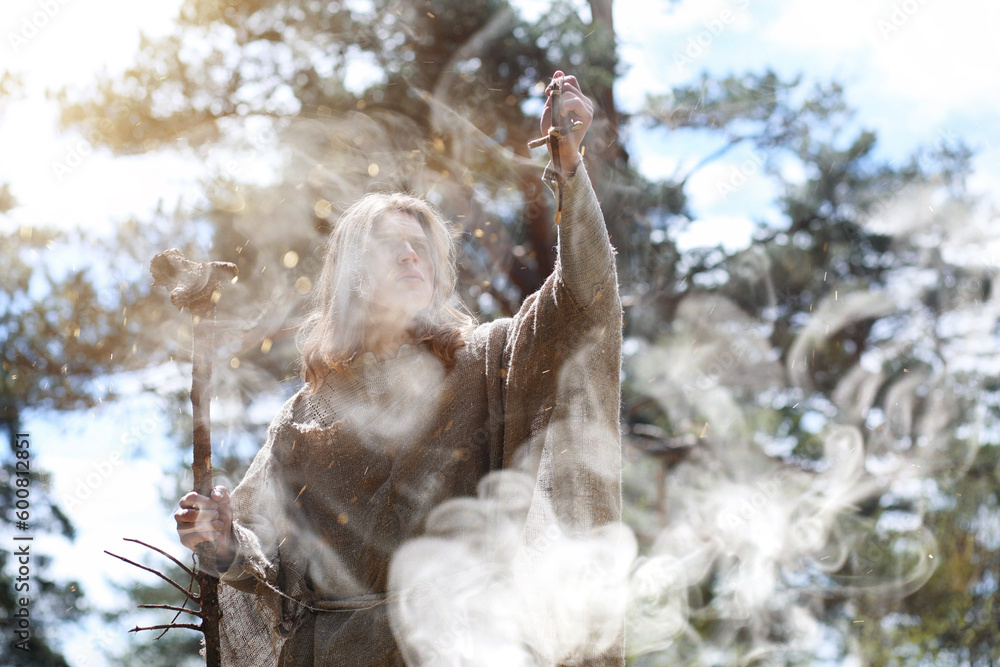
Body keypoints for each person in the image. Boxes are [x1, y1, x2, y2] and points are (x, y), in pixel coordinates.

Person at [174, 71, 624, 666]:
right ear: (354, 274)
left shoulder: (490, 359)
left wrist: (568, 168)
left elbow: (582, 298)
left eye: (423, 248)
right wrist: (224, 538)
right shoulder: (304, 415)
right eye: (391, 244)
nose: (412, 255)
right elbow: (269, 573)